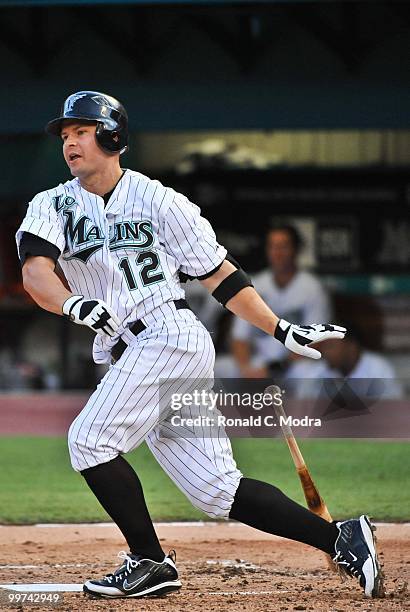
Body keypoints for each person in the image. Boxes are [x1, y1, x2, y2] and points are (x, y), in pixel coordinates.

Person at [16, 91, 383, 599]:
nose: (70, 143)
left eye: (81, 131)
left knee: (89, 441)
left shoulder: (160, 201)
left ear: (112, 136)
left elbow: (222, 277)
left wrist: (280, 329)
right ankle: (343, 538)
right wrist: (72, 304)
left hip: (169, 337)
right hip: (131, 351)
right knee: (217, 490)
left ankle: (149, 561)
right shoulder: (52, 204)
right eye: (65, 135)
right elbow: (36, 273)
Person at [231, 224, 330, 378]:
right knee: (222, 368)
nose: (277, 253)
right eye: (273, 246)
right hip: (258, 363)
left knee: (312, 373)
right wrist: (245, 369)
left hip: (294, 365)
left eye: (283, 247)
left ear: (296, 250)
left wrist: (277, 369)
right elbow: (239, 338)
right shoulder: (253, 285)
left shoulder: (312, 288)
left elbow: (316, 342)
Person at [287, 322, 403, 400]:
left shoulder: (377, 369)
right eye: (324, 346)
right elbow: (304, 415)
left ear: (350, 347)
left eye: (331, 346)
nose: (325, 352)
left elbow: (394, 412)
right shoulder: (317, 372)